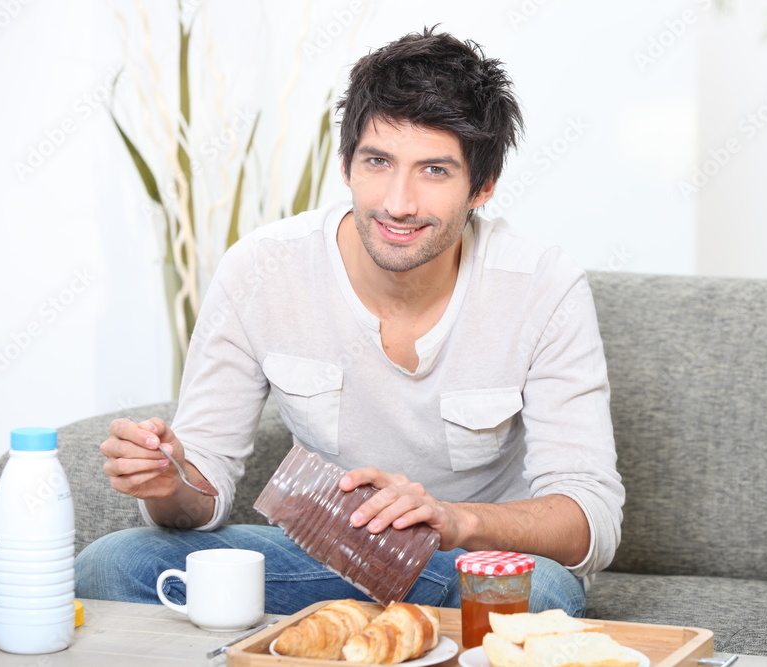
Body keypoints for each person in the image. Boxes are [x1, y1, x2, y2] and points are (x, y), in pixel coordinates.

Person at [75, 27, 623, 617]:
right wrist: (168, 480)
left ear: (482, 187)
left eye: (434, 171)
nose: (398, 202)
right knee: (110, 566)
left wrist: (455, 521)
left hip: (461, 565)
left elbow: (590, 519)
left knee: (540, 592)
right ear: (345, 164)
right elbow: (199, 495)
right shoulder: (260, 269)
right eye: (378, 162)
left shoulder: (544, 287)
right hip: (320, 557)